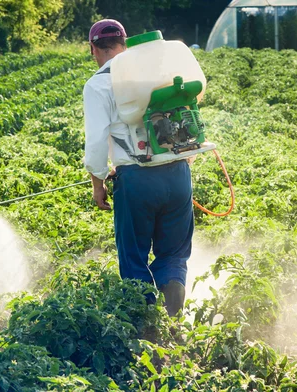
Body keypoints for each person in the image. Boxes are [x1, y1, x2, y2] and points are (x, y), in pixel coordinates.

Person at [83, 19, 194, 316]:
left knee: (134, 260)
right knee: (173, 256)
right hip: (178, 173)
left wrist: (98, 183)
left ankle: (148, 331)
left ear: (93, 49)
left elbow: (95, 142)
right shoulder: (157, 74)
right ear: (125, 43)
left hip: (136, 180)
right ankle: (174, 321)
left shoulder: (98, 84)